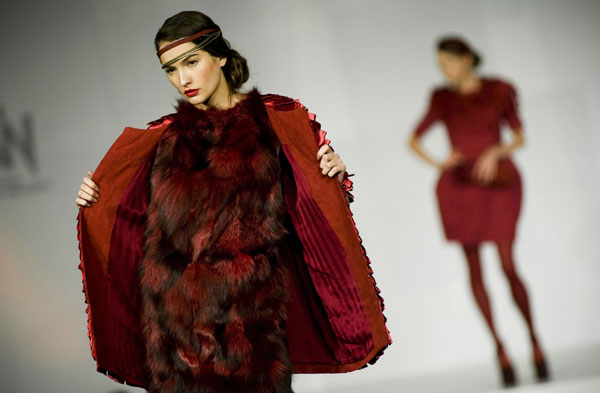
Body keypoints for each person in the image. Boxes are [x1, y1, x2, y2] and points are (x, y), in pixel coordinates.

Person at [75, 10, 390, 393]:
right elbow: (128, 218)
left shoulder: (276, 121)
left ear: (220, 55)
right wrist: (95, 198)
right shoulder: (164, 140)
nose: (183, 79)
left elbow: (313, 202)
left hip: (251, 324)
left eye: (191, 62)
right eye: (171, 70)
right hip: (178, 331)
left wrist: (333, 172)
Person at [408, 37, 548, 387]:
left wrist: (496, 151)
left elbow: (519, 136)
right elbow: (414, 138)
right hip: (460, 186)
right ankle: (499, 348)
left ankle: (534, 339)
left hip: (497, 183)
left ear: (468, 58)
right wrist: (440, 162)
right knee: (474, 267)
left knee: (507, 263)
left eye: (450, 63)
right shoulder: (442, 98)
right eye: (441, 65)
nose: (446, 71)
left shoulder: (499, 90)